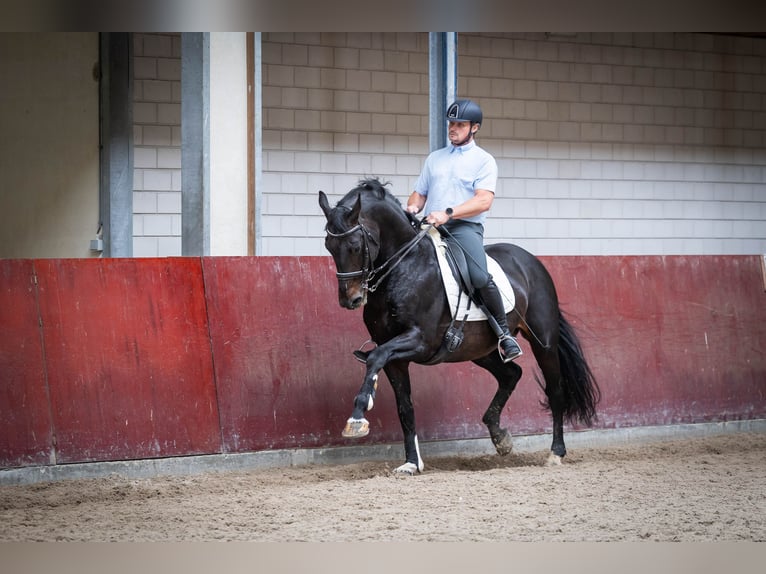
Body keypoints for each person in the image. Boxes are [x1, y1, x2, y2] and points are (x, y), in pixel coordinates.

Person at [405, 98, 522, 362]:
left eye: (460, 124)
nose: (453, 128)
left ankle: (504, 334)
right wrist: (412, 208)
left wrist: (448, 213)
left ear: (475, 128)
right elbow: (418, 194)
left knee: (478, 276)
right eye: (451, 124)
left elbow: (484, 201)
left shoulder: (484, 161)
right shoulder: (435, 159)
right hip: (430, 226)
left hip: (463, 228)